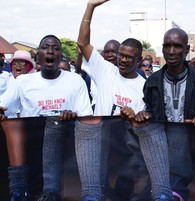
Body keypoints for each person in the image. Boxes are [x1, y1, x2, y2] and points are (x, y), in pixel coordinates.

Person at [125, 27, 195, 201]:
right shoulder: (153, 81)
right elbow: (149, 111)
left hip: (190, 158)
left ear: (186, 49)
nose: (171, 51)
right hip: (159, 157)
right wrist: (143, 115)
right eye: (167, 46)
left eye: (177, 46)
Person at [0, 35, 94, 201]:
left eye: (56, 48)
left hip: (66, 148)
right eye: (45, 47)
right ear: (37, 56)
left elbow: (86, 118)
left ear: (60, 56)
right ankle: (19, 190)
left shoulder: (75, 81)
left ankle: (51, 192)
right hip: (32, 148)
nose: (50, 51)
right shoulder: (22, 82)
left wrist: (73, 117)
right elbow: (4, 107)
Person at [77, 0, 147, 200]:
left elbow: (143, 121)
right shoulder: (106, 70)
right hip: (99, 144)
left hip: (125, 153)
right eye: (120, 55)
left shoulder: (144, 87)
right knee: (96, 191)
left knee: (121, 193)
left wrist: (134, 116)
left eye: (128, 57)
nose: (122, 60)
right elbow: (82, 43)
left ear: (139, 60)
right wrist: (90, 6)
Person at [0, 50, 35, 201]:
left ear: (29, 67)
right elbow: (3, 104)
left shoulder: (35, 81)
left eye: (22, 63)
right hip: (12, 131)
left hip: (35, 129)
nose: (18, 66)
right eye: (15, 63)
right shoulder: (10, 81)